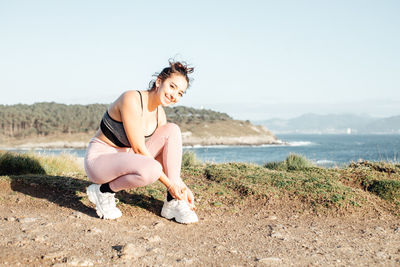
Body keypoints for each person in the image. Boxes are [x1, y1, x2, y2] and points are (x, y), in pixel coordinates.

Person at [84, 60, 198, 224]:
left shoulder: (160, 115)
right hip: (100, 162)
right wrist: (171, 185)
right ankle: (103, 191)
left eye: (180, 93)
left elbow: (164, 156)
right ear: (159, 81)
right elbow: (138, 148)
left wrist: (181, 187)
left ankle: (173, 201)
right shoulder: (131, 98)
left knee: (172, 130)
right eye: (172, 87)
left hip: (126, 159)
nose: (174, 95)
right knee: (151, 169)